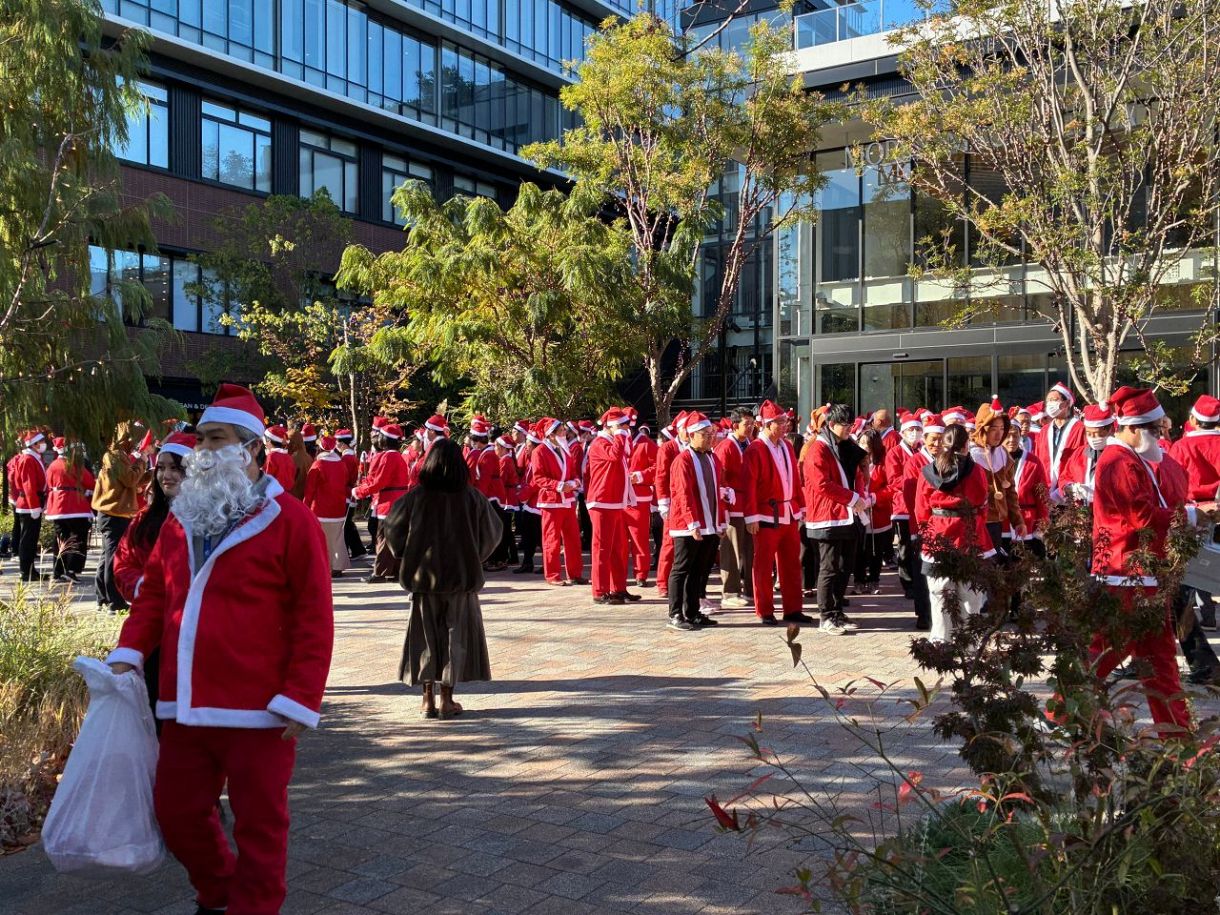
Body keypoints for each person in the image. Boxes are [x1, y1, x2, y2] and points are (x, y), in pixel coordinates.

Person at [106, 383, 333, 915]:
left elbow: (313, 616)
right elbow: (155, 595)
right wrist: (129, 650)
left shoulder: (292, 521)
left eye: (217, 439)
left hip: (261, 709)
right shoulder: (182, 517)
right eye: (201, 440)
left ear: (252, 448)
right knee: (177, 812)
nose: (203, 451)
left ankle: (253, 907)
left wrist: (301, 695)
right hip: (184, 704)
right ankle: (218, 894)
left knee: (261, 828)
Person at [1088, 385, 1195, 734]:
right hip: (1124, 574)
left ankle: (1177, 733)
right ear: (1132, 428)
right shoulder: (1117, 461)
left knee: (1160, 661)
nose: (1159, 436)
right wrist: (1191, 516)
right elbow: (1142, 518)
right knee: (1105, 656)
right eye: (1152, 429)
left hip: (1144, 574)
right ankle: (1062, 715)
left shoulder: (1136, 459)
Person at [382, 436, 501, 720]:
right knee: (454, 637)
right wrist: (474, 556)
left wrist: (407, 554)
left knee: (424, 637)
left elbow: (392, 532)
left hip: (424, 581)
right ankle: (447, 699)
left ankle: (426, 699)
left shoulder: (414, 498)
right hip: (460, 580)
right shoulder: (472, 497)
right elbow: (492, 534)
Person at [913, 423, 992, 643]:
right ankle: (968, 644)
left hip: (938, 537)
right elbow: (983, 505)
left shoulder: (928, 471)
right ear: (967, 445)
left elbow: (921, 510)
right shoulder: (977, 471)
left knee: (939, 596)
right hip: (970, 536)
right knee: (971, 597)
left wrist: (928, 531)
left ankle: (940, 644)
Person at [803, 403, 867, 634]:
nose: (850, 428)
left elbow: (856, 473)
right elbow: (822, 484)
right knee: (828, 568)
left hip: (846, 515)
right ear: (831, 425)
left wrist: (859, 496)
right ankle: (826, 615)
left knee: (844, 567)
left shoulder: (843, 445)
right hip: (826, 517)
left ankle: (837, 610)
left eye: (852, 424)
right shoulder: (818, 449)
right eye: (846, 425)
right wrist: (852, 498)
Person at [743, 401, 808, 626]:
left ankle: (792, 608)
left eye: (785, 421)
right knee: (763, 564)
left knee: (791, 562)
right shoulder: (755, 449)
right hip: (765, 514)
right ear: (768, 425)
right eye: (780, 422)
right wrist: (751, 517)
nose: (785, 425)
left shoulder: (787, 446)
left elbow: (795, 480)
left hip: (788, 512)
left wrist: (801, 506)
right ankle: (764, 610)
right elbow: (748, 485)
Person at [665, 412, 724, 631]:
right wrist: (692, 524)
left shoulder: (711, 457)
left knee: (699, 570)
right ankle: (675, 614)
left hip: (708, 522)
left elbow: (718, 491)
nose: (710, 438)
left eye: (711, 433)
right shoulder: (683, 460)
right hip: (688, 526)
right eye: (705, 434)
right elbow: (683, 495)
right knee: (681, 569)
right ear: (691, 435)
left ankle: (692, 612)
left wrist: (721, 521)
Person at [92, 422, 148, 610]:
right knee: (112, 559)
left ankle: (102, 597)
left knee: (106, 558)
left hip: (113, 512)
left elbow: (131, 481)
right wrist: (142, 459)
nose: (136, 443)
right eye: (134, 439)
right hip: (114, 513)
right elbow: (130, 479)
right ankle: (114, 601)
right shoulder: (115, 456)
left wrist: (151, 473)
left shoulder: (117, 456)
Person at [586, 408, 638, 605]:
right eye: (622, 426)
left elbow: (628, 452)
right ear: (610, 427)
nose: (626, 430)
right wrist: (619, 434)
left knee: (619, 548)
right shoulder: (599, 443)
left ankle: (619, 589)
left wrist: (622, 434)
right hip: (601, 501)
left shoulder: (615, 440)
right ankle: (599, 591)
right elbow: (616, 456)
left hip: (615, 501)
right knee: (602, 548)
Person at [530, 418, 586, 586]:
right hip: (551, 502)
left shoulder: (565, 449)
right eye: (561, 431)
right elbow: (538, 478)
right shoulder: (539, 451)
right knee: (551, 539)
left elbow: (573, 472)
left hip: (567, 501)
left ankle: (575, 574)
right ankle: (553, 575)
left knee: (573, 539)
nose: (565, 433)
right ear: (551, 435)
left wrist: (575, 482)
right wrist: (560, 486)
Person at [354, 423, 411, 583]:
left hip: (388, 502)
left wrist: (359, 491)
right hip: (394, 501)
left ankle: (380, 572)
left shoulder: (389, 456)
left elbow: (380, 481)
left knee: (384, 538)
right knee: (394, 537)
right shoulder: (395, 456)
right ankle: (395, 570)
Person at [903, 415, 944, 631]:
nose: (936, 444)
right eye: (932, 439)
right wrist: (922, 525)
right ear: (924, 439)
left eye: (940, 439)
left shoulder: (949, 460)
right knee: (921, 572)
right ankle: (923, 613)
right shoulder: (915, 462)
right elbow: (911, 498)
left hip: (945, 527)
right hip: (922, 525)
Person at [970, 397, 1025, 554]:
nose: (999, 434)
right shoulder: (968, 456)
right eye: (994, 429)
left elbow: (1011, 493)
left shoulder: (1004, 455)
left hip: (995, 523)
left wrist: (1018, 521)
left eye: (1002, 429)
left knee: (993, 567)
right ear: (982, 428)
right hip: (973, 522)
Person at [715, 408, 755, 609]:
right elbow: (719, 478)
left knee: (749, 549)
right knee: (732, 549)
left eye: (752, 423)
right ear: (735, 425)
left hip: (749, 505)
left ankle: (749, 589)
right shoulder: (726, 447)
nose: (750, 427)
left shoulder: (750, 444)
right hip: (733, 505)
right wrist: (724, 505)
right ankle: (730, 591)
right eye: (746, 424)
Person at [45, 437, 96, 583]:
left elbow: (47, 483)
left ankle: (57, 571)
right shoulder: (74, 464)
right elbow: (90, 482)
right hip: (75, 505)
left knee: (60, 539)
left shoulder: (53, 465)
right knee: (77, 538)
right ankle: (71, 570)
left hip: (57, 507)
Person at [304, 434, 352, 578]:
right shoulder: (341, 464)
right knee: (337, 538)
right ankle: (338, 566)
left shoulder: (318, 465)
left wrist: (305, 506)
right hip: (338, 506)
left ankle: (325, 565)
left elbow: (310, 489)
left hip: (320, 507)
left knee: (322, 539)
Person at [886, 412, 923, 599]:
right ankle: (907, 583)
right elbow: (893, 479)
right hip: (902, 507)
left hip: (922, 506)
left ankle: (919, 580)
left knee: (919, 545)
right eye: (911, 429)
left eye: (917, 429)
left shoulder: (922, 451)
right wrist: (919, 483)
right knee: (905, 547)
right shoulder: (895, 453)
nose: (914, 433)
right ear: (903, 432)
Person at [654, 412, 689, 599]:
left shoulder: (692, 447)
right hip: (673, 503)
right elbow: (660, 476)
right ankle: (662, 582)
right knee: (669, 544)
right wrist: (663, 502)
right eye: (685, 429)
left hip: (688, 503)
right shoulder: (668, 448)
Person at [853, 429, 891, 595]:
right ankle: (859, 580)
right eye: (861, 443)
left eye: (867, 444)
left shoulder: (883, 464)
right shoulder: (855, 462)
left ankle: (874, 580)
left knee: (875, 550)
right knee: (858, 549)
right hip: (859, 512)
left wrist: (874, 497)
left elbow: (892, 487)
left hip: (877, 513)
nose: (864, 447)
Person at [1033, 381, 1085, 503]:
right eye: (1048, 400)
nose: (1050, 404)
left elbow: (1082, 462)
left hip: (1069, 491)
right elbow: (1038, 458)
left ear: (1067, 403)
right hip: (1045, 492)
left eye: (1054, 400)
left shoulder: (1080, 429)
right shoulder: (1044, 431)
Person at [8, 429, 49, 582]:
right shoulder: (28, 459)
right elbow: (28, 485)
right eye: (41, 441)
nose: (44, 444)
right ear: (34, 444)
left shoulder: (34, 458)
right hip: (28, 504)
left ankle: (31, 569)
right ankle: (26, 571)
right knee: (28, 539)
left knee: (31, 539)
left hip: (33, 502)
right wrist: (34, 506)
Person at [1060, 403, 1113, 505]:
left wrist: (1094, 493)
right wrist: (1069, 487)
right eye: (1089, 433)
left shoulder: (1119, 455)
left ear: (1110, 430)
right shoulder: (1079, 453)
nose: (1093, 438)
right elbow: (1065, 476)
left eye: (1097, 434)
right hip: (1080, 513)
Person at [626, 423, 657, 588]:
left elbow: (659, 467)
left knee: (639, 539)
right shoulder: (617, 442)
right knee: (619, 542)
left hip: (639, 499)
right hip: (619, 499)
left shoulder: (646, 444)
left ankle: (641, 574)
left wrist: (640, 475)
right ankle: (619, 575)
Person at [334, 428, 367, 559]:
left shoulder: (346, 458)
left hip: (346, 494)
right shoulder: (349, 456)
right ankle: (358, 550)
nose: (336, 445)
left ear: (343, 444)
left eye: (337, 442)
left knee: (345, 526)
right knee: (348, 525)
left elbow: (344, 478)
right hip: (349, 494)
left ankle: (349, 552)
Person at [263, 425, 296, 493]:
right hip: (286, 494)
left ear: (269, 441)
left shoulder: (271, 457)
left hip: (273, 494)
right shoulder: (288, 457)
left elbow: (266, 478)